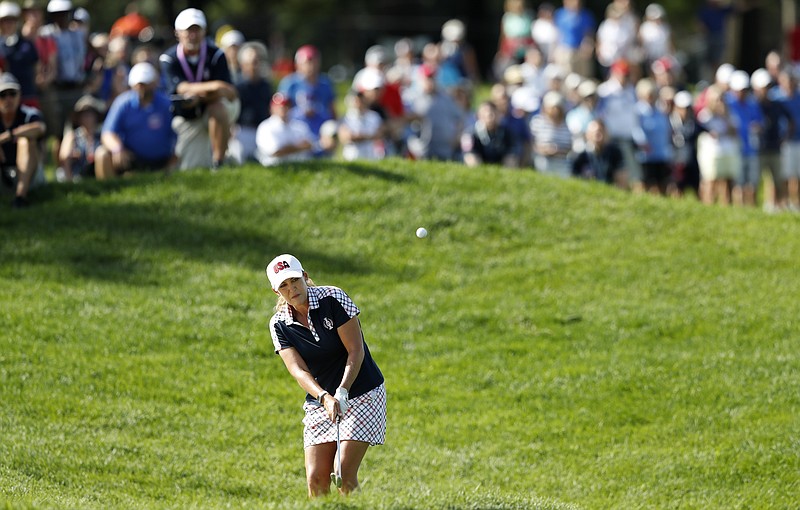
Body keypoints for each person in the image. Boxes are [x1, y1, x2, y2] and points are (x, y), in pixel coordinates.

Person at [266, 253, 386, 497]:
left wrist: (342, 391)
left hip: (363, 393)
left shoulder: (333, 298)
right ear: (276, 291)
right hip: (321, 401)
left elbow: (355, 349)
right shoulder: (279, 324)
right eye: (284, 286)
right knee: (316, 479)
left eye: (295, 281)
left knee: (342, 472)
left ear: (305, 276)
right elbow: (298, 370)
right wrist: (324, 397)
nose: (292, 289)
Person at [160, 8, 240, 170]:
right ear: (178, 33)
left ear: (204, 32)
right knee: (193, 168)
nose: (193, 35)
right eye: (188, 30)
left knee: (217, 108)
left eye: (197, 30)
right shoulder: (169, 58)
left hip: (217, 107)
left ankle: (220, 162)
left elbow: (229, 93)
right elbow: (181, 88)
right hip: (189, 116)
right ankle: (226, 158)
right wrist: (214, 87)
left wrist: (199, 94)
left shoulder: (217, 54)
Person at [94, 62, 177, 179]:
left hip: (162, 159)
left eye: (145, 84)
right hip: (131, 158)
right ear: (132, 85)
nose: (142, 88)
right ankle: (109, 190)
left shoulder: (166, 104)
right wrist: (117, 148)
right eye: (139, 84)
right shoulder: (123, 103)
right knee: (102, 153)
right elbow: (108, 133)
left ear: (154, 83)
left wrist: (174, 156)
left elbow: (178, 134)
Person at [277, 44, 336, 153]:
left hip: (321, 129)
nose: (311, 66)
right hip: (297, 129)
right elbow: (280, 109)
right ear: (298, 64)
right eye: (307, 62)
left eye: (314, 61)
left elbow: (332, 110)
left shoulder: (325, 83)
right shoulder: (290, 83)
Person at [0, 72, 45, 208]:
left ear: (19, 95)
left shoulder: (29, 114)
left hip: (31, 178)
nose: (8, 99)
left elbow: (40, 128)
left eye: (12, 94)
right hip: (3, 176)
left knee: (25, 140)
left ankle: (20, 197)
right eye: (3, 95)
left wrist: (10, 135)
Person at [229, 42, 273, 164]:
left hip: (263, 130)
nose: (255, 66)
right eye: (251, 62)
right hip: (242, 131)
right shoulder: (237, 86)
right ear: (243, 65)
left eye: (257, 62)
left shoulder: (266, 86)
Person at [632, 78, 673, 195]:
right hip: (645, 155)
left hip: (660, 153)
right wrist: (643, 142)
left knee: (662, 183)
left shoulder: (660, 111)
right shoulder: (638, 111)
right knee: (645, 183)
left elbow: (666, 130)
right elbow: (636, 130)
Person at [254, 92, 314, 167]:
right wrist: (299, 147)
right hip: (275, 168)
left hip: (301, 167)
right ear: (272, 108)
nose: (283, 108)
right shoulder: (265, 127)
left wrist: (287, 148)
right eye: (279, 106)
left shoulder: (300, 126)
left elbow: (310, 146)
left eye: (286, 105)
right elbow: (275, 152)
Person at [0, 1, 40, 108]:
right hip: (6, 99)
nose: (8, 24)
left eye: (11, 21)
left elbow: (37, 68)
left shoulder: (27, 44)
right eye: (5, 21)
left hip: (28, 96)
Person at [57, 93, 104, 181]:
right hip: (76, 174)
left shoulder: (101, 135)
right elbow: (64, 156)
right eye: (84, 114)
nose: (88, 117)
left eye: (90, 114)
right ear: (79, 118)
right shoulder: (73, 135)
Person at [462, 100, 519, 168]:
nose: (490, 116)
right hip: (480, 161)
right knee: (471, 158)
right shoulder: (470, 133)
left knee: (511, 159)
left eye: (493, 112)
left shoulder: (506, 132)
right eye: (485, 113)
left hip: (501, 163)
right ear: (478, 116)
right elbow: (469, 153)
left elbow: (512, 151)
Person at [572, 119, 627, 188]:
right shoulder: (580, 155)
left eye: (602, 132)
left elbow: (621, 179)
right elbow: (574, 179)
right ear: (587, 135)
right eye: (596, 133)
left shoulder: (615, 152)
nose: (599, 136)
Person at [530, 90, 572, 177]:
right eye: (552, 107)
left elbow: (570, 146)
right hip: (542, 159)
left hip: (562, 161)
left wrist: (558, 151)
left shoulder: (567, 124)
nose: (555, 110)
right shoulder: (537, 121)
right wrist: (545, 150)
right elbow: (532, 143)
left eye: (557, 107)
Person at [552, 0, 596, 78]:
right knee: (567, 76)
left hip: (581, 50)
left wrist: (588, 46)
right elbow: (556, 33)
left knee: (583, 76)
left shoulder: (586, 15)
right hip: (565, 50)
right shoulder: (560, 14)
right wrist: (555, 50)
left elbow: (589, 33)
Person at [338, 90, 385, 162]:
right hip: (352, 158)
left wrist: (359, 137)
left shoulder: (374, 116)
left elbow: (379, 135)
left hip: (372, 157)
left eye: (360, 100)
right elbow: (346, 137)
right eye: (355, 100)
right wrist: (369, 136)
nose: (358, 103)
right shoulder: (345, 118)